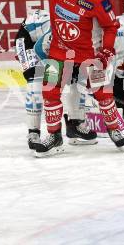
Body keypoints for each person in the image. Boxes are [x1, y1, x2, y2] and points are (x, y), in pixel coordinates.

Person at [0, 0, 124, 156]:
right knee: (50, 93)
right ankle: (54, 136)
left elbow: (111, 26)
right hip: (57, 55)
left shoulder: (97, 0)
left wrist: (106, 51)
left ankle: (114, 130)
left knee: (103, 94)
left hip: (88, 58)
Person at [15, 9, 98, 150]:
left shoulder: (88, 34)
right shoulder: (64, 28)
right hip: (30, 41)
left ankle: (74, 125)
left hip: (49, 45)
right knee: (36, 82)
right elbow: (40, 49)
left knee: (77, 82)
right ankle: (33, 133)